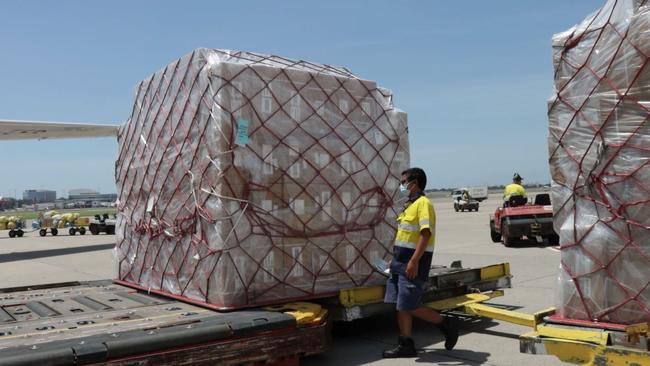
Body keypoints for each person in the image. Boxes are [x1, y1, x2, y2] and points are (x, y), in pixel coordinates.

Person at [383, 167, 459, 358]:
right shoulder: (410, 204)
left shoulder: (424, 203)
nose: (401, 186)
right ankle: (406, 344)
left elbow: (425, 234)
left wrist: (414, 261)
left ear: (414, 183)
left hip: (413, 263)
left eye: (403, 182)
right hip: (400, 262)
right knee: (401, 304)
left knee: (409, 304)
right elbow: (405, 236)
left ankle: (446, 324)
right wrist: (396, 259)